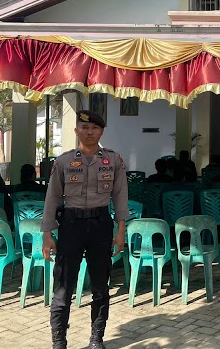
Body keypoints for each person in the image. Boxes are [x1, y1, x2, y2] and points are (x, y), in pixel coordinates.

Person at [41, 110, 129, 349]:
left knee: (101, 286)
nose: (89, 132)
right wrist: (47, 234)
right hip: (71, 225)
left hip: (101, 225)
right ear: (76, 130)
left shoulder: (114, 160)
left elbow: (121, 197)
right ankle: (59, 341)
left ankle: (96, 338)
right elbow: (52, 199)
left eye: (94, 128)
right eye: (84, 128)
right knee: (63, 286)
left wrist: (121, 231)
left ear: (101, 131)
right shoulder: (63, 161)